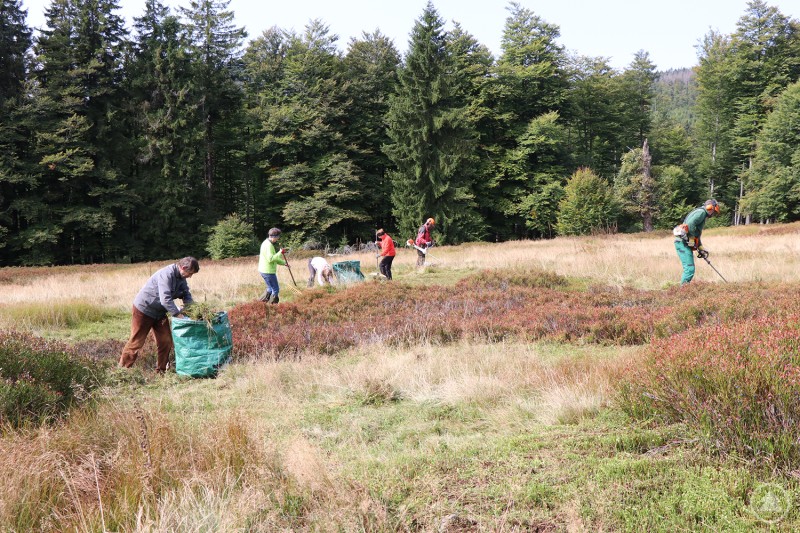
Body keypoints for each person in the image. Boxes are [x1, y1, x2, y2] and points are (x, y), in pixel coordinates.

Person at [119, 256, 199, 373]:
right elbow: (165, 299)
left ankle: (161, 371)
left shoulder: (181, 277)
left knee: (166, 341)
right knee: (136, 342)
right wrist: (177, 314)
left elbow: (186, 293)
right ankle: (122, 371)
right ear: (183, 267)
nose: (190, 276)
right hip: (144, 310)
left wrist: (193, 309)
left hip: (160, 313)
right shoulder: (167, 274)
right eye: (190, 273)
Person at [674, 199, 720, 284]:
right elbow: (690, 224)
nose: (713, 214)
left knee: (690, 269)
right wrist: (692, 241)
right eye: (714, 212)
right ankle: (682, 289)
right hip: (682, 243)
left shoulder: (701, 214)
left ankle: (683, 288)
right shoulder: (701, 213)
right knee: (689, 269)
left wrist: (700, 248)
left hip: (684, 242)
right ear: (710, 208)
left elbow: (697, 234)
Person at [258, 227, 286, 303]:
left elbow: (273, 258)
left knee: (270, 288)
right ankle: (273, 307)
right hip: (268, 271)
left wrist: (284, 263)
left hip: (264, 270)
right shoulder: (268, 245)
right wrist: (280, 252)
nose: (278, 239)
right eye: (278, 237)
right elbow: (271, 259)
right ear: (274, 236)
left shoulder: (266, 243)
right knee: (275, 289)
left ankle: (260, 304)